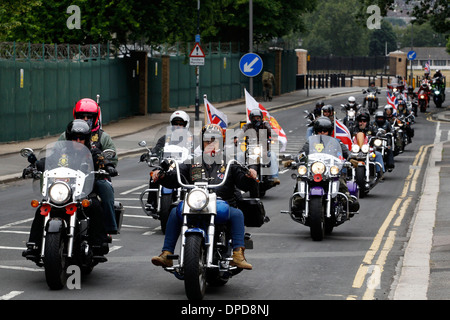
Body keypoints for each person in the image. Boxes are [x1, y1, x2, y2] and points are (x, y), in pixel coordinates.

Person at [150, 124, 257, 270]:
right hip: (196, 203)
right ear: (202, 142)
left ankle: (238, 254)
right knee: (175, 212)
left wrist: (249, 176)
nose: (211, 143)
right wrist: (162, 175)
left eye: (215, 140)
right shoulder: (192, 162)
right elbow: (176, 176)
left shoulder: (230, 162)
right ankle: (167, 253)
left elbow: (244, 182)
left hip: (222, 203)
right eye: (207, 140)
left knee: (237, 214)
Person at [23, 120, 109, 263]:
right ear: (69, 139)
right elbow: (48, 161)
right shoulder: (61, 152)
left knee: (94, 206)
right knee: (42, 209)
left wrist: (108, 166)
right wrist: (34, 166)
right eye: (74, 138)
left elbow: (102, 161)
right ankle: (34, 245)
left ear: (86, 139)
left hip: (84, 193)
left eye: (81, 138)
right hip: (62, 193)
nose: (78, 141)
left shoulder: (92, 152)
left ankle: (98, 244)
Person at [59, 98, 119, 234]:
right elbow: (55, 154)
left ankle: (109, 228)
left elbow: (112, 159)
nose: (85, 119)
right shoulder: (66, 135)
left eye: (89, 117)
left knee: (105, 188)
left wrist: (106, 166)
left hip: (93, 177)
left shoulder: (103, 137)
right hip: (68, 177)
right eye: (82, 116)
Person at [294, 117, 360, 214]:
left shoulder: (336, 142)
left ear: (329, 132)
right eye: (319, 131)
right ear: (316, 131)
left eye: (324, 131)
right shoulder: (310, 142)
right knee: (301, 177)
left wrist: (351, 159)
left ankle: (347, 199)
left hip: (330, 170)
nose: (322, 133)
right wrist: (295, 159)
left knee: (340, 179)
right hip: (315, 170)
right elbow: (302, 153)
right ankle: (298, 199)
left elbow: (346, 153)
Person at [141, 110, 192, 213]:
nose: (178, 126)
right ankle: (151, 202)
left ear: (186, 125)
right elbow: (157, 149)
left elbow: (198, 151)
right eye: (175, 124)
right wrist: (149, 154)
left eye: (181, 124)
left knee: (193, 177)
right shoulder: (164, 139)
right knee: (154, 174)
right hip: (167, 166)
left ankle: (193, 201)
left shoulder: (191, 139)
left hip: (183, 166)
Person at [241, 109, 280, 185]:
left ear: (261, 118)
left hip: (264, 150)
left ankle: (275, 177)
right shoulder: (247, 126)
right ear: (251, 119)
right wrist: (236, 138)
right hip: (251, 150)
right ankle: (239, 178)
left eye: (258, 118)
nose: (256, 120)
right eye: (254, 118)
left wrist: (274, 136)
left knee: (272, 155)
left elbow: (271, 130)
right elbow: (241, 132)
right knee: (239, 156)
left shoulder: (265, 125)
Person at [349, 112, 385, 177]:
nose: (362, 123)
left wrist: (378, 135)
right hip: (355, 149)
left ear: (367, 122)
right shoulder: (353, 128)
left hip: (367, 149)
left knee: (378, 154)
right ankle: (343, 174)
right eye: (360, 121)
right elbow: (347, 135)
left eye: (364, 121)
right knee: (344, 156)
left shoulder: (371, 128)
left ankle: (380, 173)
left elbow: (377, 134)